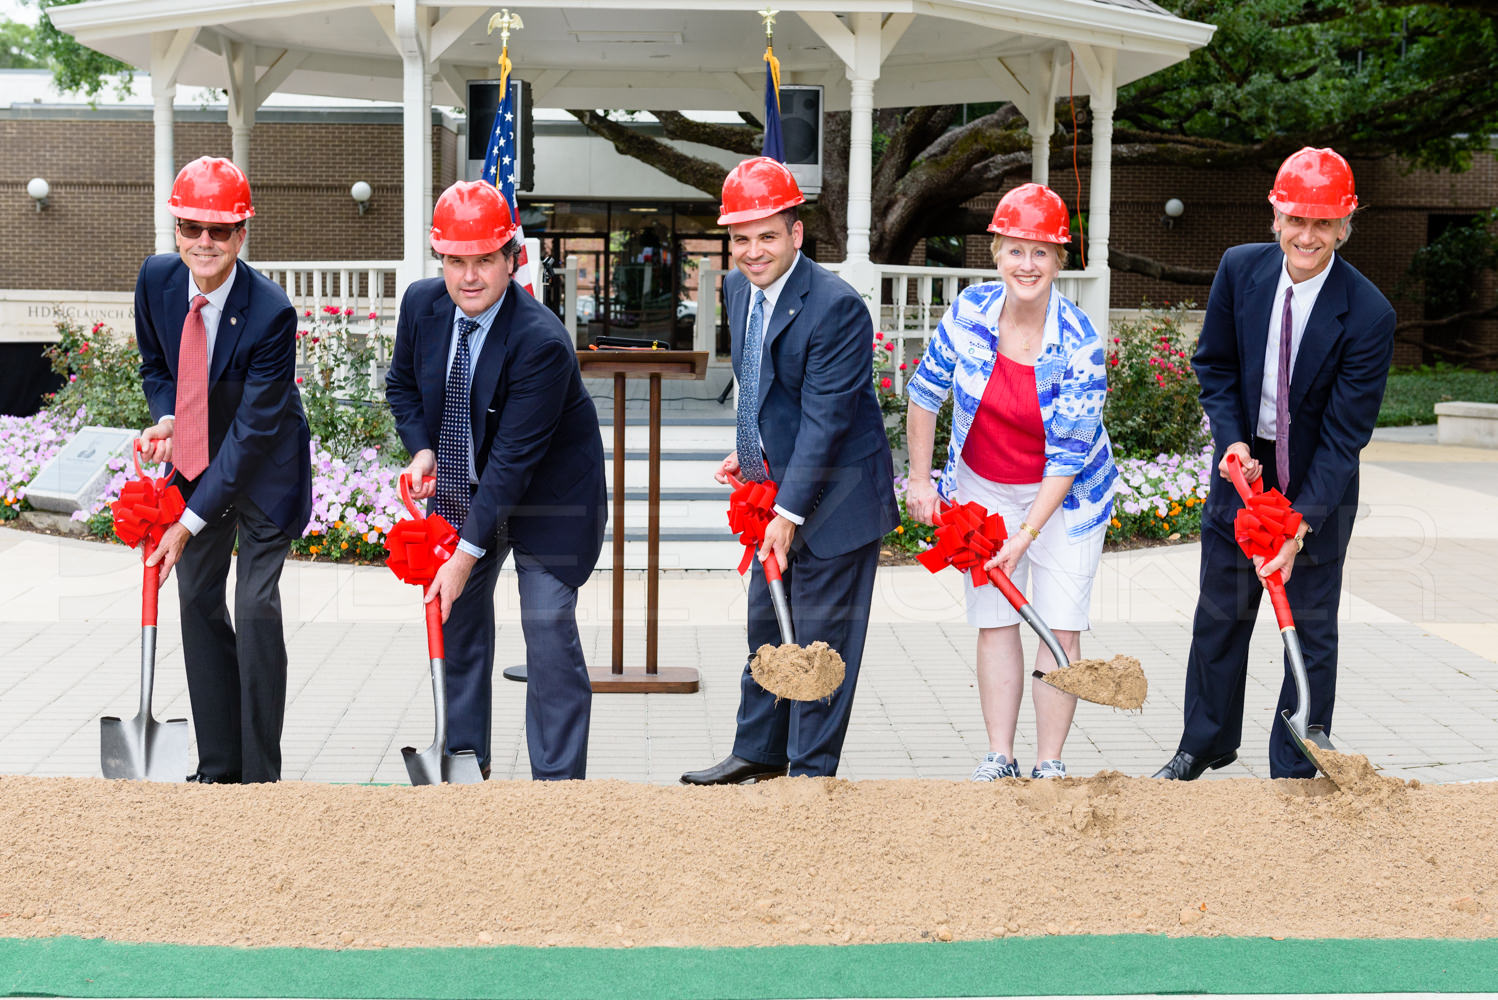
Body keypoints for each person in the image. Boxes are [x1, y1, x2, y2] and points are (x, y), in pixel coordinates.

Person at [1154, 147, 1395, 781]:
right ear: (1276, 216)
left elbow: (1346, 436)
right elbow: (1217, 364)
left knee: (1310, 636)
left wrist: (1298, 526)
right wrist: (1231, 439)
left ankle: (1293, 765)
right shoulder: (1240, 270)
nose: (1307, 236)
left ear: (1345, 225)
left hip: (1318, 482)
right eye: (1297, 220)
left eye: (1323, 224)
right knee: (1220, 620)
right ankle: (1202, 744)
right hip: (1245, 473)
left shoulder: (1369, 314)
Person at [680, 157, 899, 784]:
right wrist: (749, 453)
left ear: (796, 234)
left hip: (837, 501)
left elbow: (826, 419)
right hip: (782, 485)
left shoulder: (836, 307)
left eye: (767, 235)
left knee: (818, 643)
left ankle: (809, 772)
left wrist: (787, 510)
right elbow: (763, 386)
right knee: (767, 628)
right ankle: (759, 752)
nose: (753, 251)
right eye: (741, 237)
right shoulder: (737, 287)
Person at [386, 180, 606, 781]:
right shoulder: (421, 306)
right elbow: (402, 387)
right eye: (456, 261)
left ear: (514, 257)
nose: (469, 277)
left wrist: (460, 557)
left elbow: (512, 464)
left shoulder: (540, 343)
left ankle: (556, 789)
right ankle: (464, 770)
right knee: (455, 625)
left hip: (550, 499)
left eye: (484, 259)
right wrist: (423, 449)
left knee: (547, 631)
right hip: (462, 488)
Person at [904, 183, 1117, 782]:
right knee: (995, 619)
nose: (1027, 265)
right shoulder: (970, 311)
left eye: (1041, 253)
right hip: (983, 488)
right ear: (996, 252)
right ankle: (1000, 755)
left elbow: (1069, 457)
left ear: (1059, 261)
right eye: (1016, 250)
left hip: (1066, 500)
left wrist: (1026, 534)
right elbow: (924, 396)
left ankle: (1050, 762)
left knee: (1059, 624)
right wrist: (921, 481)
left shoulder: (1079, 344)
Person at [135, 155, 313, 784]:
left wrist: (187, 522)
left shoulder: (269, 312)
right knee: (196, 598)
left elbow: (253, 433)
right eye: (191, 227)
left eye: (219, 230)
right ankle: (219, 768)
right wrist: (165, 420)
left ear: (242, 234)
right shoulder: (155, 280)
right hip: (195, 458)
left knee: (256, 604)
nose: (203, 242)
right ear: (176, 228)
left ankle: (260, 774)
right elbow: (158, 366)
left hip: (265, 469)